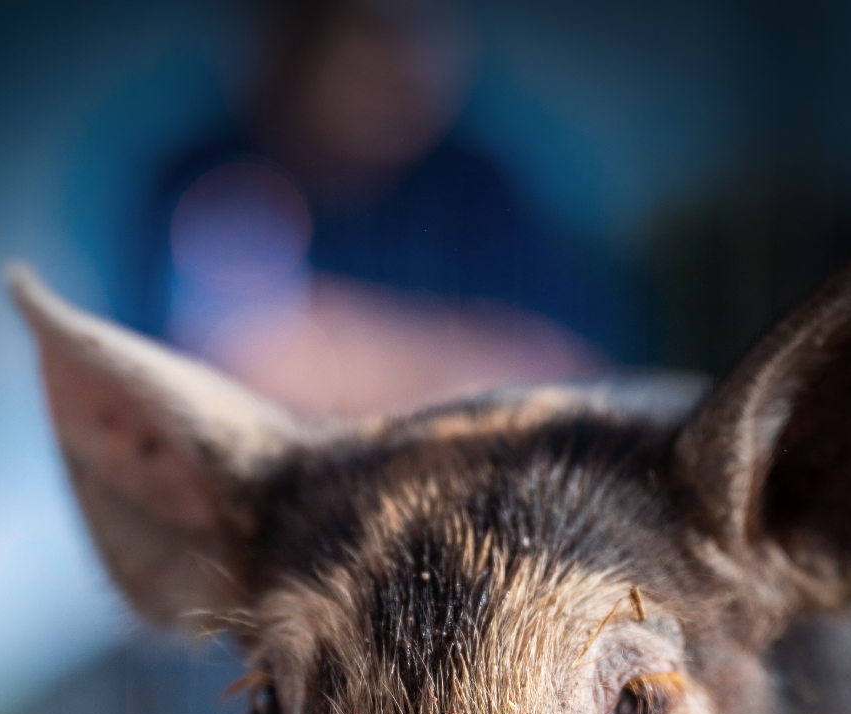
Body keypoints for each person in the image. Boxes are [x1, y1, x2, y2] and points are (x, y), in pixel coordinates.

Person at [119, 0, 621, 420]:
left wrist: (341, 347)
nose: (410, 59)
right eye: (377, 30)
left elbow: (570, 382)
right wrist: (457, 357)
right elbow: (238, 371)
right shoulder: (212, 174)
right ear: (298, 41)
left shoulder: (485, 187)